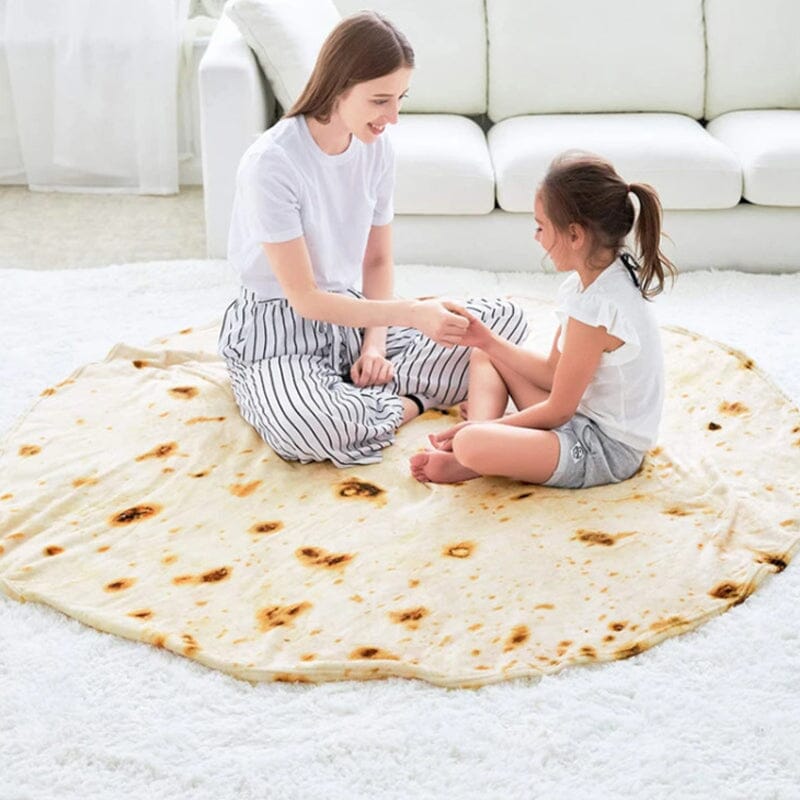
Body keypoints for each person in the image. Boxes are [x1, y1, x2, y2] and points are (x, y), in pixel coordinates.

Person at [219, 11, 528, 467]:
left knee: (502, 323)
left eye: (401, 98)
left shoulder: (376, 148)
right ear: (338, 86)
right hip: (280, 327)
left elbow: (378, 262)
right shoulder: (272, 164)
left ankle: (359, 397)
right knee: (309, 429)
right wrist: (411, 314)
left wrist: (375, 345)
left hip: (357, 315)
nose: (394, 117)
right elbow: (304, 298)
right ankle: (409, 403)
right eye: (381, 100)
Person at [410, 152, 677, 488]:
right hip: (581, 415)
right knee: (485, 355)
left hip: (603, 449)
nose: (536, 237)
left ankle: (471, 455)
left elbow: (558, 410)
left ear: (575, 235)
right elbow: (553, 374)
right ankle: (480, 443)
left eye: (540, 226)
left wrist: (482, 431)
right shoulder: (593, 281)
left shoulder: (597, 308)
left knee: (470, 441)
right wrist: (486, 340)